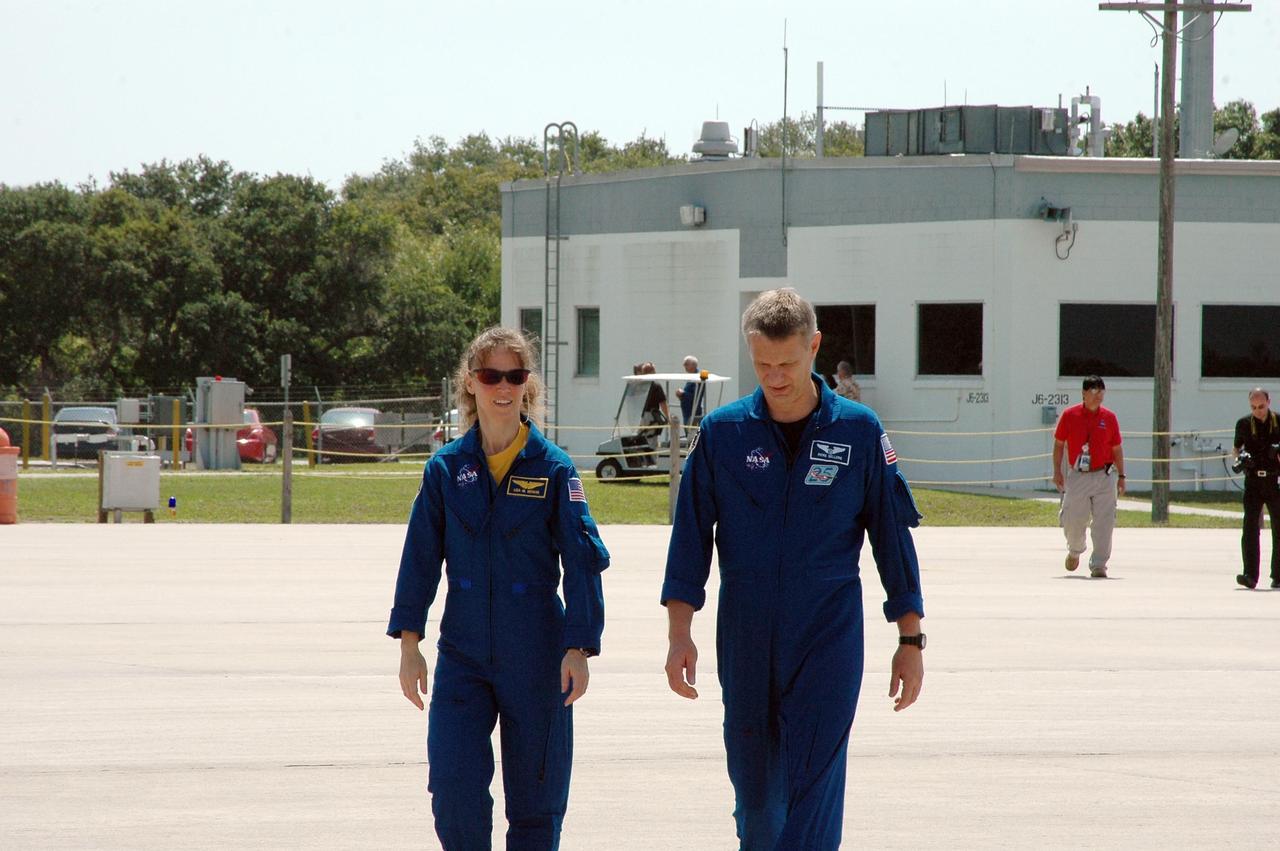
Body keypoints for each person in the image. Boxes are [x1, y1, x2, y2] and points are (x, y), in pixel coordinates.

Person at [661, 288, 926, 849]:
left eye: (787, 362)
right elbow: (689, 542)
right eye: (762, 364)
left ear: (815, 346)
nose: (775, 377)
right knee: (756, 804)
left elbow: (892, 539)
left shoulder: (858, 431)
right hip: (746, 637)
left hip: (828, 638)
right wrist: (679, 634)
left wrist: (911, 638)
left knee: (814, 796)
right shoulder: (723, 434)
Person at [388, 326, 610, 849]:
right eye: (492, 376)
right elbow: (419, 560)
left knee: (537, 804)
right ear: (471, 383)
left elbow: (582, 562)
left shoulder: (554, 469)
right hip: (463, 654)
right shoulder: (445, 469)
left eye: (515, 375)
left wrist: (579, 647)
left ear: (527, 383)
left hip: (537, 654)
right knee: (453, 792)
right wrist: (409, 645)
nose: (503, 387)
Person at [1052, 375, 1126, 579]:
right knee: (1073, 517)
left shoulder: (1109, 417)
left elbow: (1117, 448)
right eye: (1093, 391)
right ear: (1084, 393)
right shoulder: (1070, 415)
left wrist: (1122, 475)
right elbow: (1059, 444)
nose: (1098, 396)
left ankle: (1099, 564)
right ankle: (1075, 550)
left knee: (1105, 521)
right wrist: (1057, 471)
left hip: (1104, 475)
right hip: (1078, 475)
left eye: (1101, 391)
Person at [1232, 387, 1280, 589]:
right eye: (1253, 407)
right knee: (1250, 527)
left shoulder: (1278, 421)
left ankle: (1278, 575)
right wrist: (1240, 459)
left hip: (1275, 480)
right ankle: (1250, 575)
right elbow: (1236, 449)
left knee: (1278, 527)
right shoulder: (1244, 424)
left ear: (1269, 402)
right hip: (1253, 481)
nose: (1258, 411)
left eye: (1261, 406)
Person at [674, 354, 705, 425]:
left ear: (693, 365)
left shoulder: (699, 378)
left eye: (686, 364)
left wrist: (683, 393)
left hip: (693, 413)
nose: (684, 366)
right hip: (687, 412)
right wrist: (680, 396)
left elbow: (696, 396)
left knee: (692, 434)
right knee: (689, 433)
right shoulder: (692, 377)